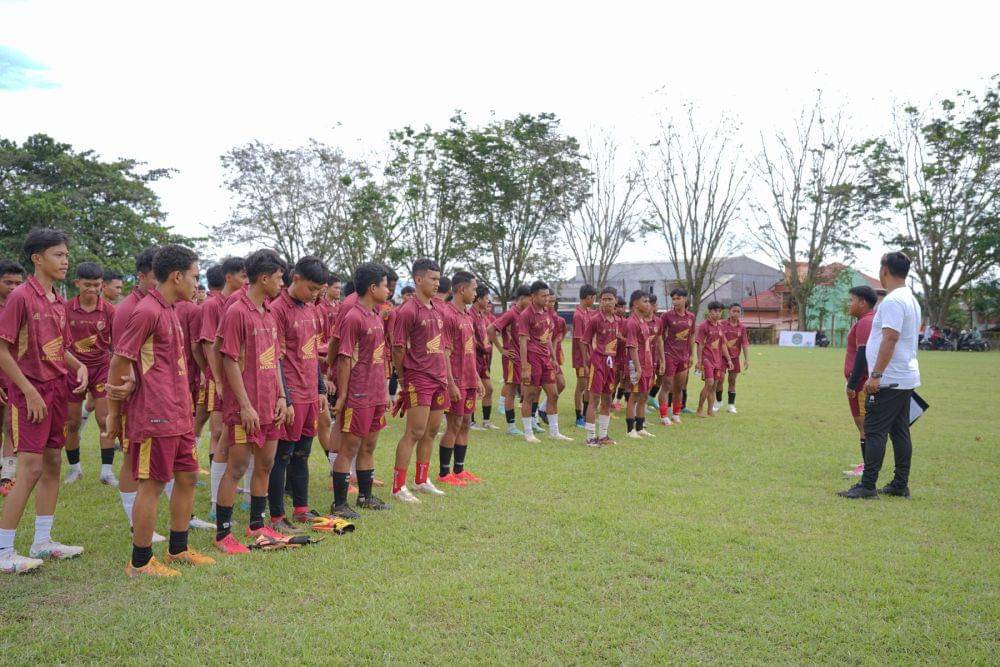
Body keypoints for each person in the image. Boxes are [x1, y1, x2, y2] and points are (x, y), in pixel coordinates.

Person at [107, 244, 215, 576]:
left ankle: (178, 549)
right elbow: (119, 361)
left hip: (179, 413)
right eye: (195, 277)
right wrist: (113, 414)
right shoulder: (147, 311)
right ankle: (140, 562)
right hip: (155, 415)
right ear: (176, 276)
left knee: (187, 477)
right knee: (152, 485)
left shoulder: (170, 309)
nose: (197, 285)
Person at [0, 228, 88, 574]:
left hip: (56, 390)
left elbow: (59, 349)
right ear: (38, 259)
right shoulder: (21, 296)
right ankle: (4, 550)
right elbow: (3, 350)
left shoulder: (58, 300)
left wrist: (78, 364)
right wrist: (30, 390)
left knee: (53, 463)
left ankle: (43, 540)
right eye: (58, 255)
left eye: (66, 255)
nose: (65, 261)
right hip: (30, 393)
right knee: (31, 468)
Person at [214, 250, 290, 553]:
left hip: (271, 404)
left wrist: (283, 396)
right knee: (238, 466)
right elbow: (229, 360)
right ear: (264, 278)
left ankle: (257, 524)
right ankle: (223, 534)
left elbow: (275, 361)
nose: (282, 283)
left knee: (266, 464)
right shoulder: (236, 311)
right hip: (245, 406)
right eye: (279, 277)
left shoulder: (270, 313)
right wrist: (244, 405)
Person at [839, 252, 921, 499]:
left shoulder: (894, 301)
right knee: (899, 431)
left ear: (884, 270)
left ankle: (867, 485)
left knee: (874, 430)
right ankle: (899, 484)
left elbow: (891, 338)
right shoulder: (910, 298)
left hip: (890, 378)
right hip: (903, 376)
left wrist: (875, 375)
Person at [266, 257, 327, 532]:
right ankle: (277, 516)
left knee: (303, 453)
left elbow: (313, 353)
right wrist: (285, 398)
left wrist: (321, 388)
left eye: (318, 291)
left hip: (310, 394)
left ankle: (301, 508)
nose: (314, 295)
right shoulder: (277, 309)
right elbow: (276, 359)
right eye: (311, 288)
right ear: (296, 278)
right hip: (290, 394)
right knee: (283, 455)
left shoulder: (311, 310)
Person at [330, 263, 393, 517]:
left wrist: (385, 391)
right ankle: (340, 504)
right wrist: (344, 395)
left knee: (369, 446)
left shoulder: (376, 314)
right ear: (373, 287)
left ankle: (365, 498)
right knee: (349, 449)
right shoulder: (353, 316)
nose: (388, 290)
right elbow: (344, 358)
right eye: (386, 285)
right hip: (358, 394)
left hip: (376, 392)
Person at [109, 247, 161, 540]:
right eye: (157, 276)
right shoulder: (131, 308)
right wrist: (119, 404)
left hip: (151, 395)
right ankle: (134, 522)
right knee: (131, 457)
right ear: (141, 276)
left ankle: (139, 519)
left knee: (140, 459)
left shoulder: (157, 303)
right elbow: (121, 357)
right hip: (134, 396)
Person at [389, 259, 451, 503]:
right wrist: (403, 378)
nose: (437, 283)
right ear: (418, 279)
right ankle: (398, 486)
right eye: (433, 279)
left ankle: (422, 479)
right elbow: (397, 348)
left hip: (438, 378)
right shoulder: (407, 310)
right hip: (418, 378)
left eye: (438, 279)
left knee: (432, 430)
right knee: (414, 431)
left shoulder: (436, 308)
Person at [199, 257, 247, 521]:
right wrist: (217, 379)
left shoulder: (242, 302)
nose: (246, 281)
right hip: (222, 377)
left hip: (242, 378)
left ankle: (241, 494)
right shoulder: (215, 304)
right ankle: (216, 501)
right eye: (242, 276)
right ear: (228, 277)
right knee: (220, 432)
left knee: (235, 436)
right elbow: (208, 345)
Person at [62, 261, 117, 485]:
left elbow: (118, 344)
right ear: (77, 283)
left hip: (102, 369)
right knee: (72, 423)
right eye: (87, 285)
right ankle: (75, 469)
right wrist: (76, 366)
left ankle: (106, 472)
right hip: (73, 370)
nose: (92, 289)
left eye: (96, 285)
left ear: (102, 284)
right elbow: (60, 344)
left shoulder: (110, 311)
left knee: (105, 419)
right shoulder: (65, 309)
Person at [437, 270, 484, 486]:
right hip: (455, 380)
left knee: (465, 423)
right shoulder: (447, 314)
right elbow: (445, 352)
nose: (475, 293)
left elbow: (469, 351)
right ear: (461, 289)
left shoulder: (467, 315)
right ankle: (444, 474)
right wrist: (450, 383)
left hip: (469, 379)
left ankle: (459, 470)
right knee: (453, 424)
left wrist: (477, 377)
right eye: (473, 289)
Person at [518, 281, 572, 443]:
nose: (547, 298)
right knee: (529, 395)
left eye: (548, 295)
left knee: (553, 394)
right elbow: (522, 341)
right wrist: (525, 366)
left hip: (546, 359)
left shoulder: (547, 312)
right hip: (532, 359)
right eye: (543, 295)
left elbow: (547, 337)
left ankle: (554, 432)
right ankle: (528, 433)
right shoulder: (526, 315)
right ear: (533, 297)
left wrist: (553, 358)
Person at [842, 285, 877, 477]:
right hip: (860, 380)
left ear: (862, 302)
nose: (850, 303)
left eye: (852, 300)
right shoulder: (867, 320)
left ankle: (866, 468)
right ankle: (866, 463)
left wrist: (853, 384)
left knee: (864, 424)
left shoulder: (865, 322)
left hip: (861, 382)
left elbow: (862, 355)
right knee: (864, 424)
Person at [487, 285, 530, 436]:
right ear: (522, 298)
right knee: (511, 391)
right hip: (511, 359)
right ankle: (511, 427)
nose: (531, 302)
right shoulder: (511, 314)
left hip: (521, 359)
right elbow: (491, 329)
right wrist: (501, 349)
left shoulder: (524, 314)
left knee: (517, 390)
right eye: (530, 298)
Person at [0, 260, 27, 497]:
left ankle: (7, 476)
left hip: (15, 379)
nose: (13, 287)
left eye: (18, 283)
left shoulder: (21, 307)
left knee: (11, 427)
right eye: (8, 282)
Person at [582, 287, 619, 446]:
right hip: (597, 362)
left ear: (615, 301)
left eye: (610, 299)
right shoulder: (595, 319)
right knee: (594, 399)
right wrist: (587, 362)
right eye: (604, 299)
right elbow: (584, 342)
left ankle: (603, 435)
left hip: (611, 363)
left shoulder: (617, 320)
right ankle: (590, 437)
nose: (607, 302)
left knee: (607, 399)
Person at [657, 289, 696, 424]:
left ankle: (676, 414)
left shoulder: (691, 316)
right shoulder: (666, 316)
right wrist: (662, 358)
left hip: (683, 356)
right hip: (669, 355)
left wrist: (691, 355)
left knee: (679, 386)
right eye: (673, 299)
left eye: (678, 298)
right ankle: (664, 416)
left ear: (685, 299)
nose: (675, 301)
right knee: (667, 385)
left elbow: (691, 335)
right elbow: (660, 337)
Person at [624, 290, 655, 438]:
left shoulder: (643, 321)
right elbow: (632, 347)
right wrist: (637, 367)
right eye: (645, 301)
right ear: (636, 304)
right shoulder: (632, 322)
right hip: (638, 365)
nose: (648, 304)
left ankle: (640, 426)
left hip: (647, 364)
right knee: (634, 396)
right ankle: (630, 430)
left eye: (649, 301)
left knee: (644, 396)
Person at [694, 302, 733, 418]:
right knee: (709, 383)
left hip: (718, 361)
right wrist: (699, 361)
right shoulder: (703, 326)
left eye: (719, 311)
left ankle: (710, 410)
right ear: (709, 312)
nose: (717, 313)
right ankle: (699, 409)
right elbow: (700, 344)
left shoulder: (720, 327)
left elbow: (723, 345)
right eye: (715, 311)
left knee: (714, 385)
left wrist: (729, 360)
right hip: (707, 359)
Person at [469, 285, 497, 430]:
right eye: (486, 298)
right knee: (473, 390)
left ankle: (486, 421)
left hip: (483, 359)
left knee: (489, 389)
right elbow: (472, 340)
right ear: (478, 299)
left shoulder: (482, 315)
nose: (488, 301)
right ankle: (471, 422)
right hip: (473, 358)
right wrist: (485, 347)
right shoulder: (470, 315)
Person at [571, 285, 596, 428]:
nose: (594, 301)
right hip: (581, 358)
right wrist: (585, 362)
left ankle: (586, 414)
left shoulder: (587, 312)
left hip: (589, 356)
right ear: (588, 298)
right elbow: (580, 340)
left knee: (588, 386)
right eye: (593, 298)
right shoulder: (578, 315)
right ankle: (578, 416)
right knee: (581, 386)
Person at [719, 304, 750, 414]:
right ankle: (718, 402)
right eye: (734, 311)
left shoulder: (742, 327)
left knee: (732, 381)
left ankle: (731, 405)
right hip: (721, 357)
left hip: (735, 358)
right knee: (720, 379)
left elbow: (745, 343)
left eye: (738, 311)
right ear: (729, 312)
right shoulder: (721, 324)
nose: (736, 313)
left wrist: (746, 359)